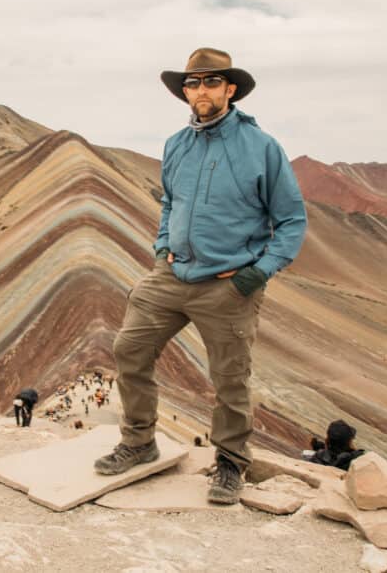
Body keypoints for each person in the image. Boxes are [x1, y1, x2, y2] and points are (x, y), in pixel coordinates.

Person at [93, 48, 307, 505]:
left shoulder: (262, 148)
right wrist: (161, 248)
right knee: (128, 349)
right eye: (193, 84)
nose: (201, 91)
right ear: (185, 92)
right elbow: (170, 201)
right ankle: (139, 443)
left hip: (229, 284)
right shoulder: (177, 144)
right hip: (170, 276)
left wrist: (258, 274)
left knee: (230, 379)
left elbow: (292, 221)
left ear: (230, 89)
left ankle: (230, 463)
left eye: (211, 82)